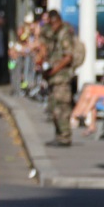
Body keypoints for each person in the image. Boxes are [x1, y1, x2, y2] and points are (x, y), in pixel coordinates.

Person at [42, 9, 77, 146]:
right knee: (54, 108)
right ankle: (59, 135)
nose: (53, 26)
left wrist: (54, 70)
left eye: (54, 23)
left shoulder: (64, 34)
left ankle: (65, 136)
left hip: (62, 77)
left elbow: (68, 56)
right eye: (51, 24)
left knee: (62, 107)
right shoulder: (54, 35)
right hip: (55, 78)